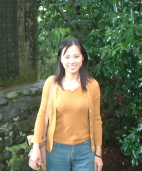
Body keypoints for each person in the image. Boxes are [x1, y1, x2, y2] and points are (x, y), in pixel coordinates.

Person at [30, 38, 103, 171]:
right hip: (56, 150)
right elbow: (41, 116)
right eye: (67, 56)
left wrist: (98, 154)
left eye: (76, 56)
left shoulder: (92, 85)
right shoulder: (51, 83)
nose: (72, 61)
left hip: (85, 151)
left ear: (83, 58)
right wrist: (36, 148)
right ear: (61, 60)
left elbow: (97, 120)